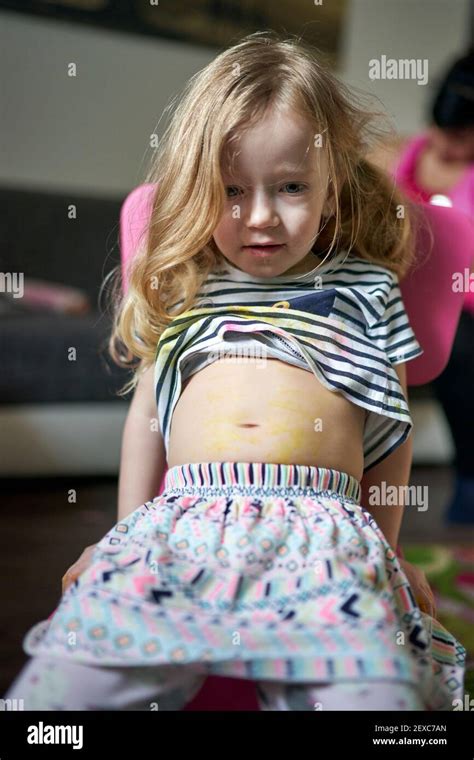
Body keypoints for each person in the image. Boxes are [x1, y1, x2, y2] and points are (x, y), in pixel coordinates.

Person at [2, 32, 466, 712]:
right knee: (57, 699)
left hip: (326, 535)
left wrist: (386, 551)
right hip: (178, 527)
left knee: (377, 697)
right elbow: (149, 414)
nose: (261, 217)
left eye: (291, 188)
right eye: (230, 191)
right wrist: (123, 535)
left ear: (332, 188)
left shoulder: (366, 288)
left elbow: (391, 430)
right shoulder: (187, 281)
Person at [368, 50, 474, 524]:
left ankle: (469, 478)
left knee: (459, 342)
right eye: (442, 132)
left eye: (463, 137)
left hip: (460, 308)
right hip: (390, 295)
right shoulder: (391, 155)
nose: (448, 147)